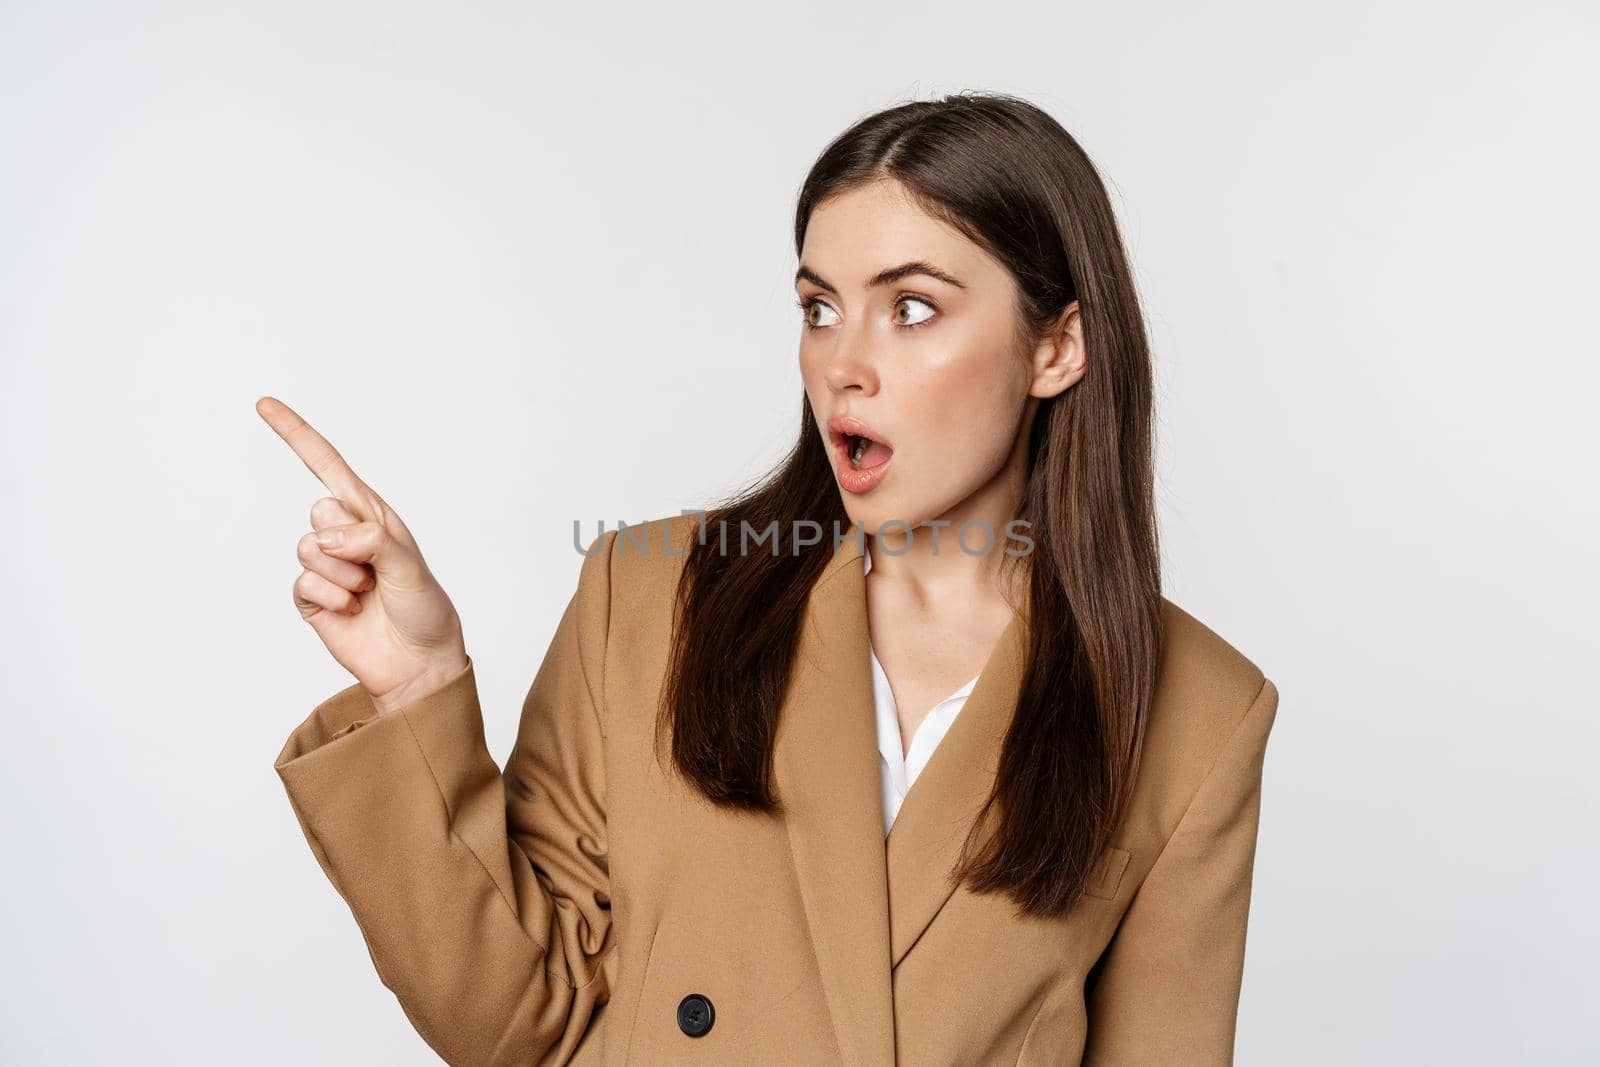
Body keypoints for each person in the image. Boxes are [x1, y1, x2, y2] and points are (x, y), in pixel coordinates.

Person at [263, 90, 1280, 1066]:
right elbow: (517, 1021)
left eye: (911, 307)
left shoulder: (1195, 708)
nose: (842, 361)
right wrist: (418, 689)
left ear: (1056, 346)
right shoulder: (656, 598)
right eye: (820, 306)